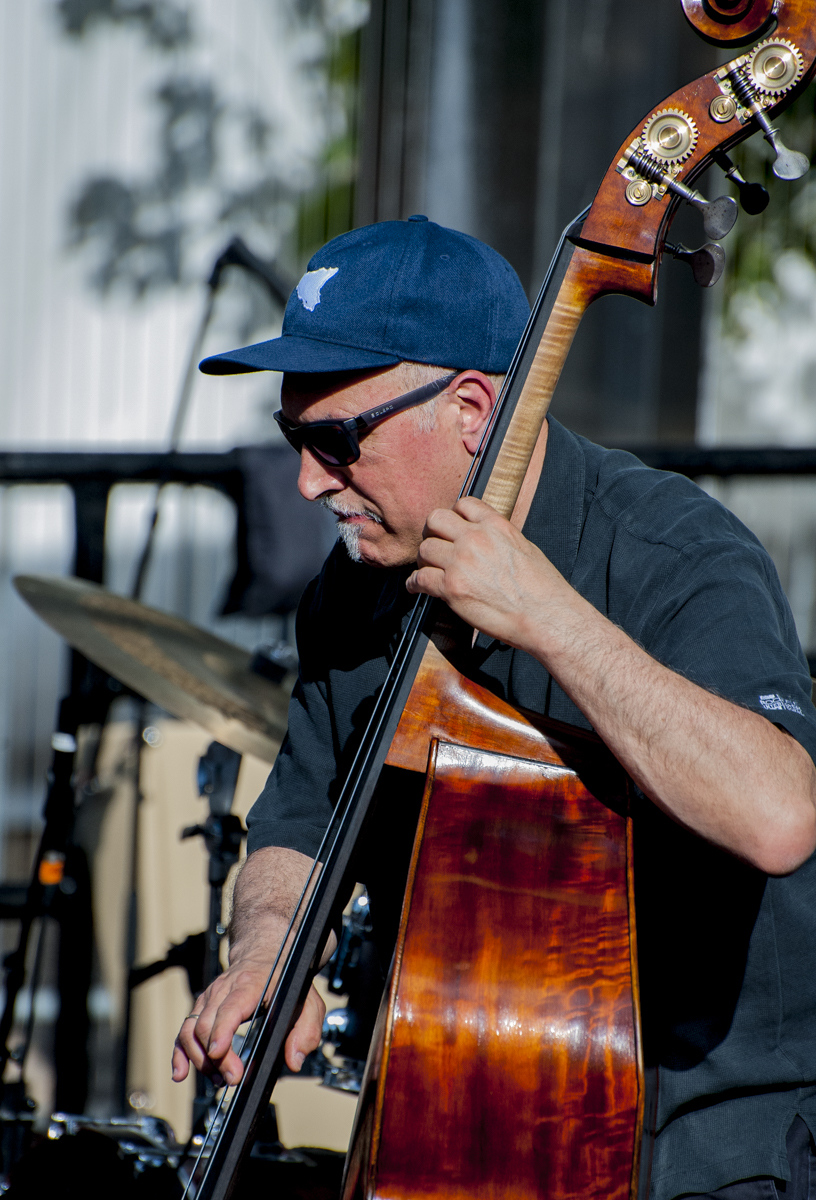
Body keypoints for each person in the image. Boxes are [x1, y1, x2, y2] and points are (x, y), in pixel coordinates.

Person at [173, 216, 816, 1200]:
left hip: (716, 1135)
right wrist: (268, 949)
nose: (308, 481)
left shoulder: (679, 554)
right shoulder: (355, 590)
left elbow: (779, 815)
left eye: (336, 441)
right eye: (291, 439)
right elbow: (298, 819)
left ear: (474, 408)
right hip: (472, 1123)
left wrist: (552, 619)